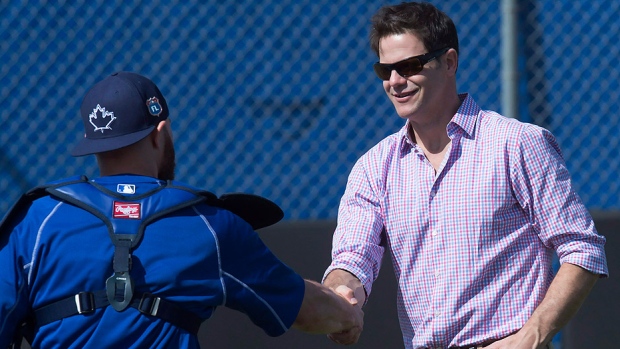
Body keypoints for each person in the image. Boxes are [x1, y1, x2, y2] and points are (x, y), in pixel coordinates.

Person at [0, 71, 362, 348]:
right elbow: (304, 307)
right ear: (161, 132)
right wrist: (347, 315)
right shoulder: (209, 225)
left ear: (94, 144)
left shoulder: (37, 220)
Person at [322, 2, 608, 349]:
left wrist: (532, 336)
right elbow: (353, 259)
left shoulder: (517, 143)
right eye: (386, 71)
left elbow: (582, 248)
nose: (396, 82)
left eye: (410, 66)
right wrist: (342, 297)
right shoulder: (373, 167)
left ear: (450, 62)